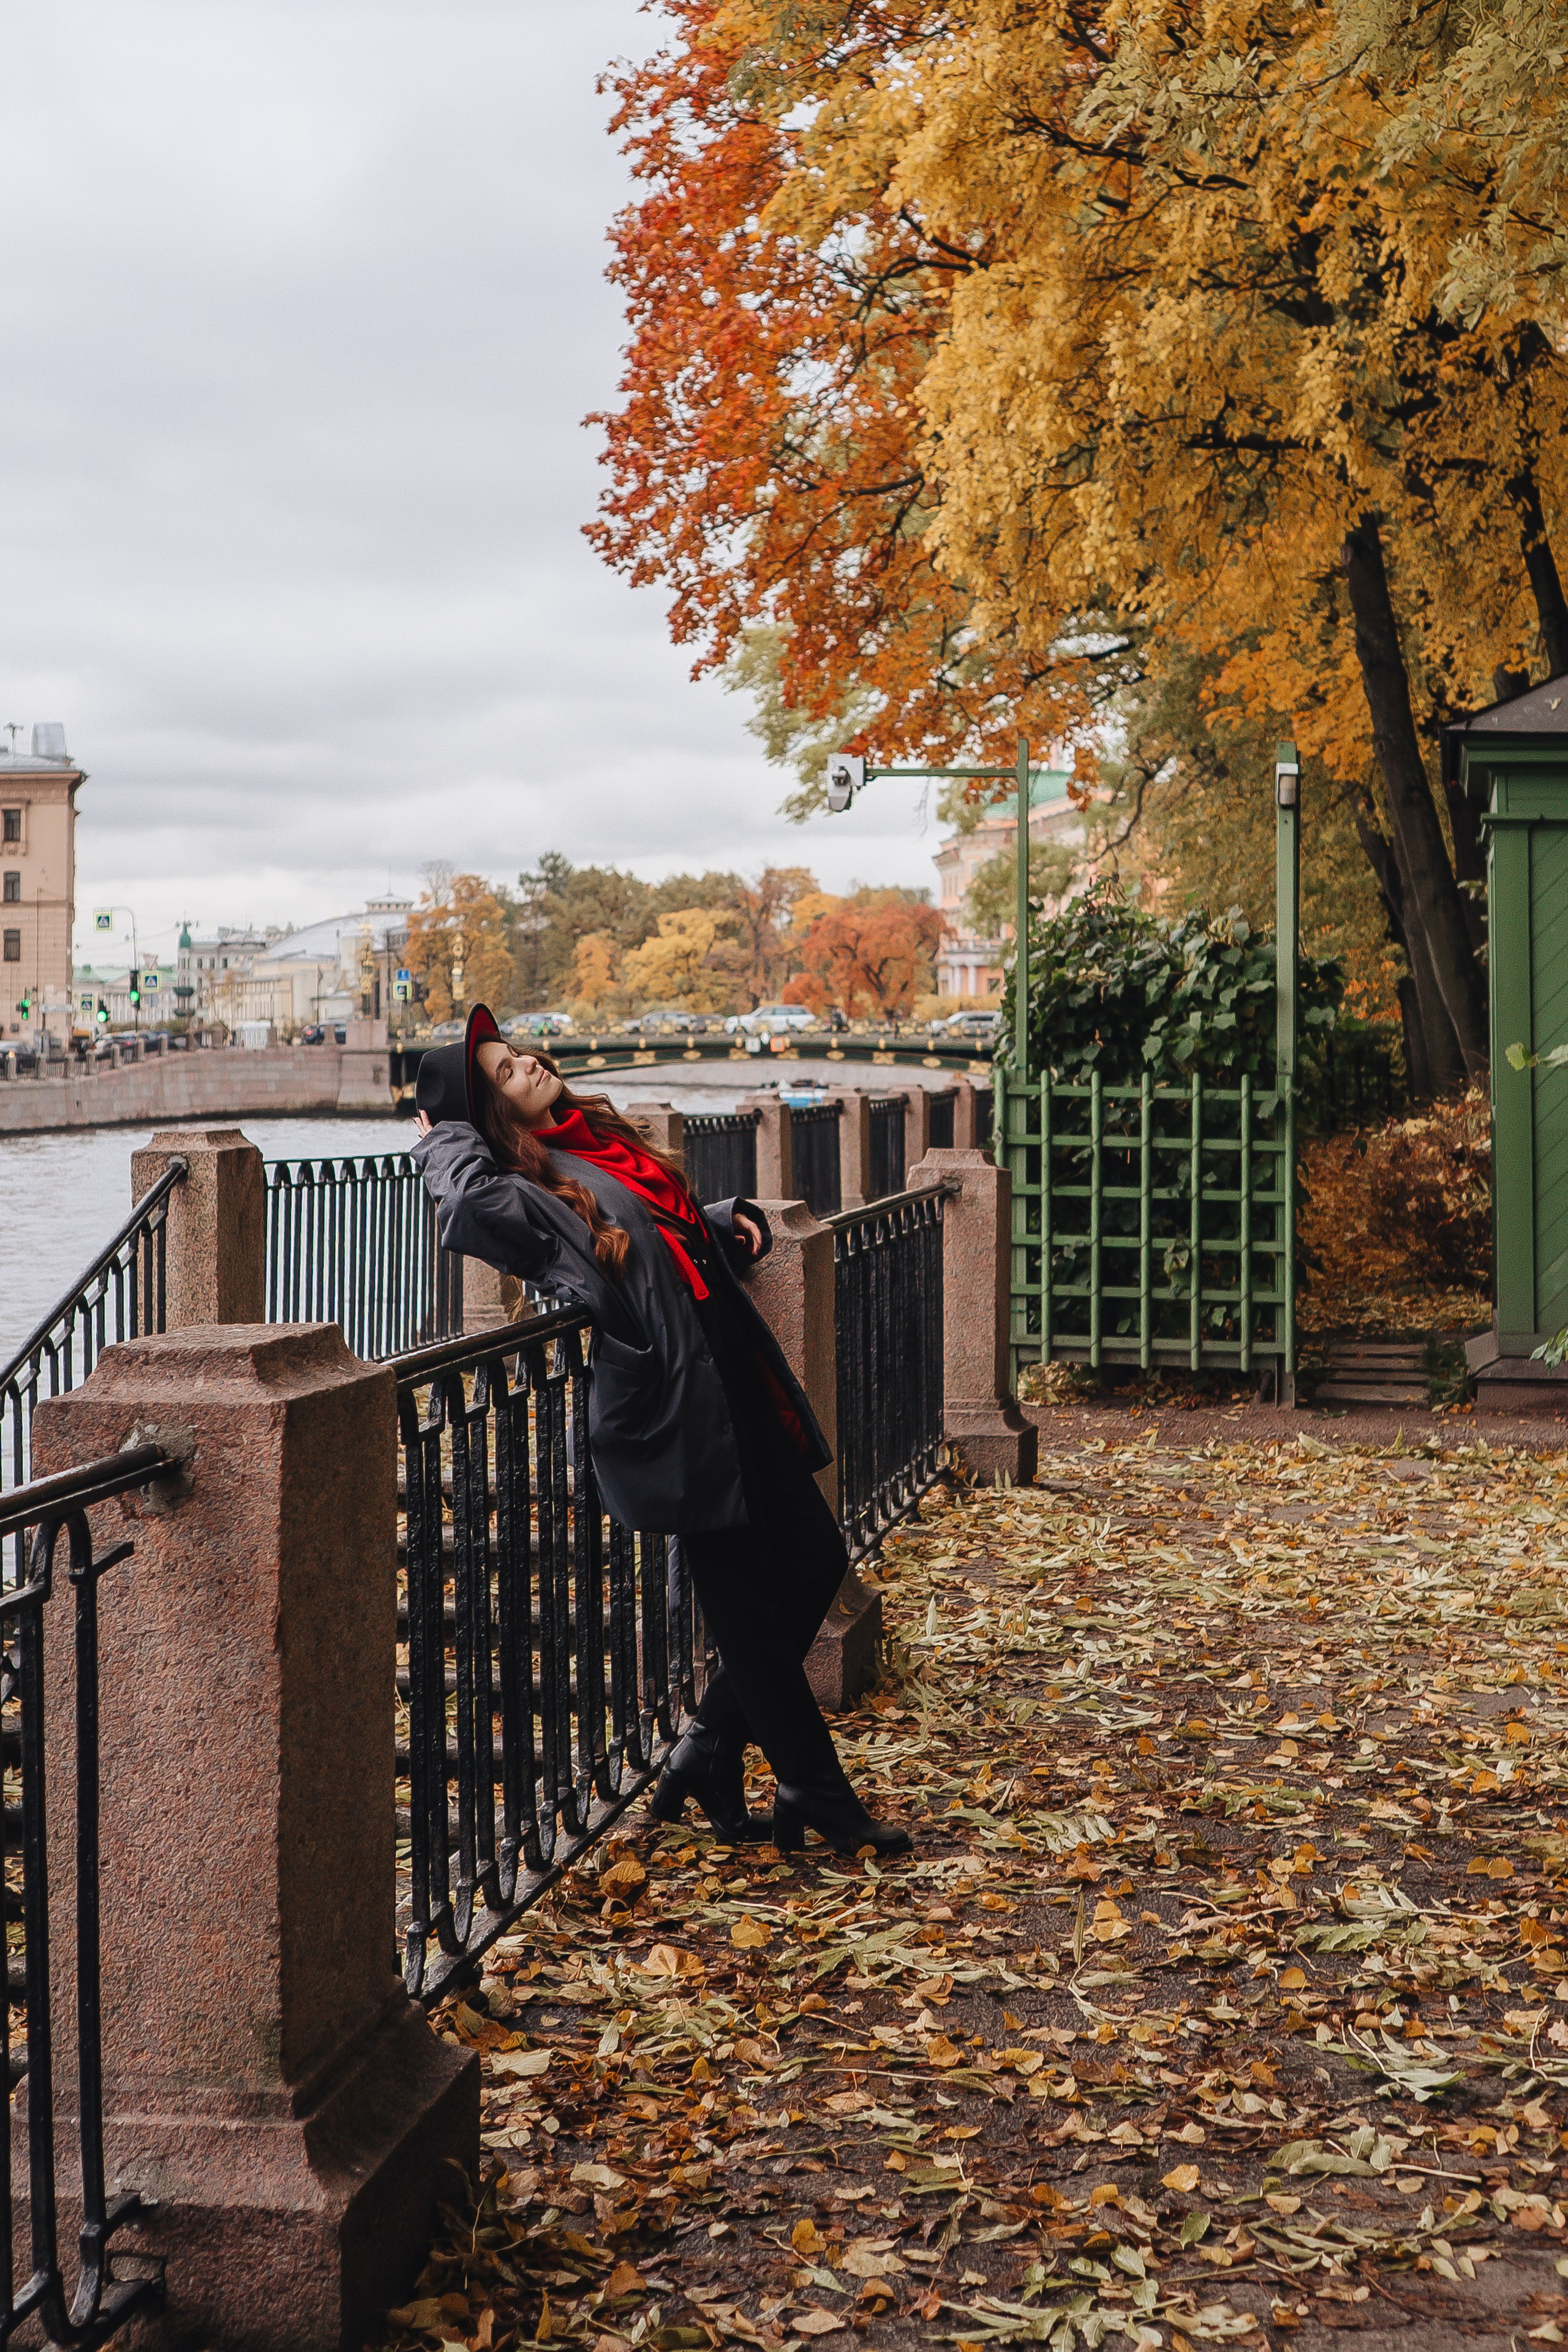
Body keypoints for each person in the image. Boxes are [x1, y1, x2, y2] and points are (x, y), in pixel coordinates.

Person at [412, 1003, 910, 1860]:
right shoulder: (529, 1187)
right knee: (751, 1611)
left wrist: (716, 1225)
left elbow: (644, 1238)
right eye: (501, 1074)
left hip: (730, 1380)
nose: (526, 1063)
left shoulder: (592, 1147)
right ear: (490, 1116)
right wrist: (443, 1138)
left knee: (816, 1562)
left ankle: (708, 1750)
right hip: (675, 1412)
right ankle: (816, 1791)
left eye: (515, 1053)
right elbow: (467, 1206)